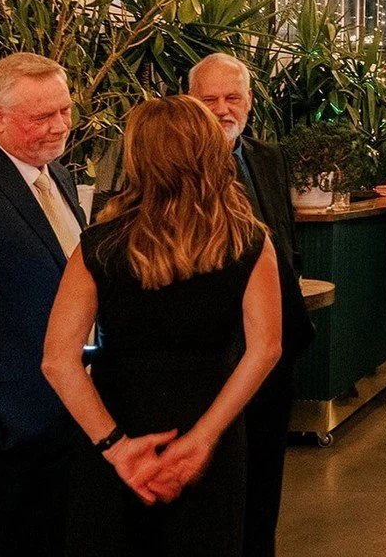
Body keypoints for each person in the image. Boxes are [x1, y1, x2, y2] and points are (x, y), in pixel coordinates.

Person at [42, 95, 282, 556]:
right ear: (211, 152)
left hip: (120, 419)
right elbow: (265, 348)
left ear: (138, 157)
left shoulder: (96, 245)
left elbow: (57, 361)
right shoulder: (249, 241)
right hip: (212, 417)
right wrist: (201, 440)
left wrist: (115, 447)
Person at [0, 53, 86, 556]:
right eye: (41, 117)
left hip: (59, 431)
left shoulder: (60, 177)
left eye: (64, 110)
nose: (59, 127)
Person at [187, 53, 312, 557]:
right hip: (211, 356)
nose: (221, 109)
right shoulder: (174, 166)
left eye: (231, 97)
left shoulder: (267, 156)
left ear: (250, 102)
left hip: (272, 349)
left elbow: (283, 237)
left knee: (265, 477)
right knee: (217, 490)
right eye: (209, 99)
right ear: (189, 104)